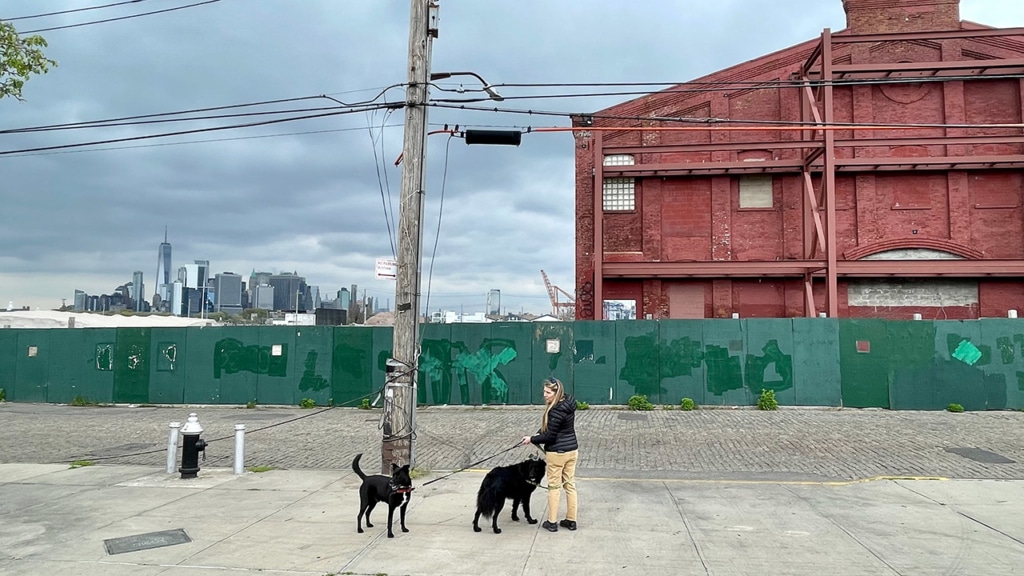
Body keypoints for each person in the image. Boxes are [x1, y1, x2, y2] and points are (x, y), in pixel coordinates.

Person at [521, 376, 578, 532]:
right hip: (572, 450)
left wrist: (531, 438)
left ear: (556, 392)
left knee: (554, 487)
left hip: (557, 454)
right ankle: (571, 521)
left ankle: (552, 522)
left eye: (548, 392)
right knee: (569, 485)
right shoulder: (568, 403)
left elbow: (550, 436)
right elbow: (552, 428)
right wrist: (538, 433)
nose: (544, 395)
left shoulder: (555, 410)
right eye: (544, 392)